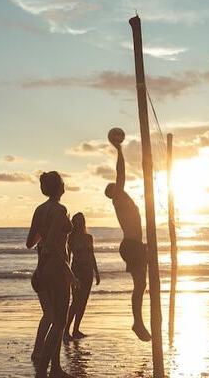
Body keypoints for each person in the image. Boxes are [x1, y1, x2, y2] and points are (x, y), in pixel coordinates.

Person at [104, 127, 152, 342]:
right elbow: (121, 173)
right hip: (131, 245)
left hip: (136, 245)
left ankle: (139, 321)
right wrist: (119, 150)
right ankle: (137, 322)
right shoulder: (119, 198)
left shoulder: (123, 199)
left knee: (142, 285)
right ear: (112, 193)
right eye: (114, 186)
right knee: (140, 285)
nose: (118, 186)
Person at [27, 171, 76, 378]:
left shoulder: (39, 210)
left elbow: (30, 242)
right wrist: (70, 273)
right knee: (60, 322)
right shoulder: (59, 209)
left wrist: (45, 232)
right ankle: (43, 370)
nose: (65, 185)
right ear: (59, 187)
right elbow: (52, 248)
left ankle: (55, 367)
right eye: (63, 182)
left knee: (56, 318)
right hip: (56, 267)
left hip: (41, 268)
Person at [65, 212, 100, 342]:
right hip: (77, 271)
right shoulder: (71, 238)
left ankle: (76, 329)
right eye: (77, 221)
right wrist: (67, 274)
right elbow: (67, 257)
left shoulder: (88, 237)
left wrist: (96, 272)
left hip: (88, 272)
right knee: (75, 302)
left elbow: (92, 255)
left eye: (81, 220)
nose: (79, 223)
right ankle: (66, 330)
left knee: (83, 302)